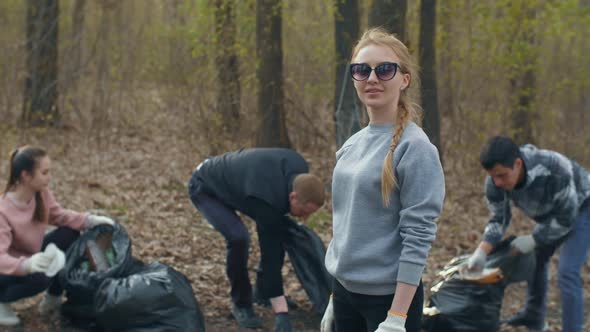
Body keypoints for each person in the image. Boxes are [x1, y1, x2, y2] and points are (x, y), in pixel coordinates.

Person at [321, 28, 445, 332]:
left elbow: (418, 235)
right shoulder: (351, 145)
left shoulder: (415, 148)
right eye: (362, 70)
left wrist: (397, 318)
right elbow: (346, 225)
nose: (372, 78)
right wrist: (334, 296)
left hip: (389, 301)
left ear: (404, 79)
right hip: (345, 295)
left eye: (384, 69)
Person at [187, 148, 325, 331]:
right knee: (238, 238)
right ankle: (241, 303)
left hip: (241, 182)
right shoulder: (266, 201)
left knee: (276, 230)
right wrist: (281, 313)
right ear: (293, 197)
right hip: (205, 186)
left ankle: (262, 293)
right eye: (304, 212)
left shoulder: (299, 168)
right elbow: (271, 258)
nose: (304, 218)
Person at [464, 136, 590, 332]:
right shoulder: (495, 183)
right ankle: (534, 316)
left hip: (582, 208)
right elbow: (499, 219)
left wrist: (534, 239)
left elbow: (567, 217)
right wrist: (481, 252)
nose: (497, 182)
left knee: (567, 272)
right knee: (535, 260)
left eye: (502, 175)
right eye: (493, 176)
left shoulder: (553, 168)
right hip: (550, 214)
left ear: (517, 164)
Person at [0, 146, 116, 326]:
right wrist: (27, 265)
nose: (50, 177)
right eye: (44, 172)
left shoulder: (41, 194)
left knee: (70, 232)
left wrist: (90, 220)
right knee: (40, 279)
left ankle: (53, 296)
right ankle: (1, 302)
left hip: (32, 257)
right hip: (7, 269)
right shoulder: (3, 211)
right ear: (26, 176)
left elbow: (60, 216)